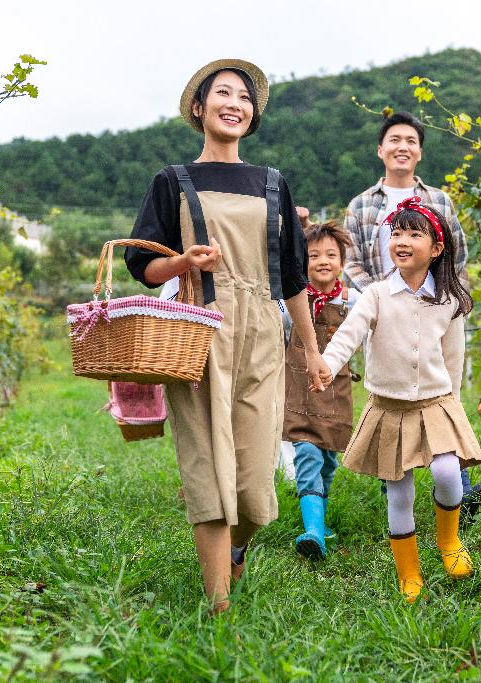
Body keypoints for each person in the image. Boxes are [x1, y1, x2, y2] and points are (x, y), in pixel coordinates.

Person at [124, 59, 330, 613]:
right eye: (223, 94)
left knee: (255, 479)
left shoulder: (272, 182)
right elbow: (141, 264)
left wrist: (311, 350)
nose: (234, 103)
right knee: (207, 465)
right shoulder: (172, 181)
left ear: (252, 113)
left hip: (264, 330)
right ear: (199, 108)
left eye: (243, 97)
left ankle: (238, 550)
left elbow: (292, 276)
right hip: (199, 329)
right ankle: (217, 609)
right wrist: (183, 262)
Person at [316, 196, 481, 602]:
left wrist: (455, 410)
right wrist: (326, 364)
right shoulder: (376, 294)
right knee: (400, 492)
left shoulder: (449, 301)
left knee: (447, 474)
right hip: (389, 407)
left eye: (414, 234)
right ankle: (409, 572)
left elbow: (453, 361)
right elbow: (348, 336)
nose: (402, 241)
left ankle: (449, 542)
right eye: (396, 234)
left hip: (436, 403)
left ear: (437, 248)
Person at [342, 111, 481, 518]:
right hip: (385, 314)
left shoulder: (439, 201)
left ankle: (458, 489)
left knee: (440, 386)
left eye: (410, 140)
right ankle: (395, 483)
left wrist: (449, 295)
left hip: (431, 308)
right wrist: (377, 294)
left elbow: (456, 254)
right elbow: (350, 259)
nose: (401, 146)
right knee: (392, 395)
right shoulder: (360, 205)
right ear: (380, 149)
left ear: (420, 152)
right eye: (394, 139)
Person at [281, 221, 359, 560]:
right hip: (299, 393)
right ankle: (311, 529)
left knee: (328, 460)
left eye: (331, 254)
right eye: (313, 255)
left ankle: (320, 521)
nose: (322, 261)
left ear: (342, 262)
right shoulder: (291, 304)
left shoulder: (352, 301)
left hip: (335, 393)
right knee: (308, 454)